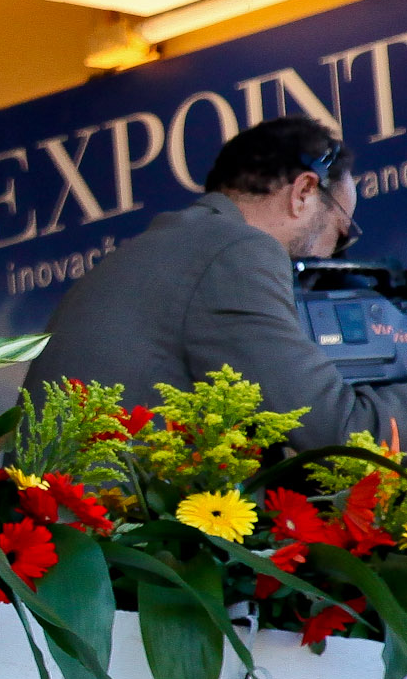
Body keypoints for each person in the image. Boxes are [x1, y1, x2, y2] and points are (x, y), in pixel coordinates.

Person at [24, 114, 382, 448]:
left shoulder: (152, 254)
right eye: (341, 233)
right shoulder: (237, 250)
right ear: (303, 191)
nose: (334, 255)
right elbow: (335, 430)